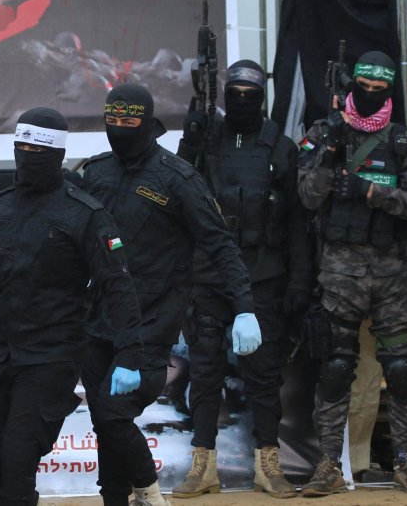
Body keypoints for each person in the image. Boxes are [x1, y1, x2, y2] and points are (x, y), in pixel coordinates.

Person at [80, 83, 262, 506]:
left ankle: (148, 491)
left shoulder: (178, 177)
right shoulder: (96, 172)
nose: (121, 129)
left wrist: (245, 308)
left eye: (130, 121)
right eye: (113, 120)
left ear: (148, 122)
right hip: (95, 319)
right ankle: (116, 499)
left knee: (113, 413)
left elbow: (220, 244)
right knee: (104, 419)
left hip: (151, 321)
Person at [0, 107, 144, 506]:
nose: (27, 155)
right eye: (21, 146)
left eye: (37, 149)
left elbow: (118, 287)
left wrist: (130, 354)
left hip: (51, 357)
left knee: (17, 457)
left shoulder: (85, 214)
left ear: (57, 154)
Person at [294, 51, 407, 497]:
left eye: (380, 91)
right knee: (336, 367)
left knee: (402, 369)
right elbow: (308, 197)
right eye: (364, 89)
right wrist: (332, 148)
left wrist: (373, 190)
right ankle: (329, 465)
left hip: (393, 270)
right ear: (351, 86)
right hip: (341, 270)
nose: (371, 97)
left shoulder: (400, 141)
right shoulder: (323, 132)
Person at [172, 60, 313, 499]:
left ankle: (268, 467)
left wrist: (298, 284)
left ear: (263, 97)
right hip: (209, 279)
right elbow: (177, 192)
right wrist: (189, 140)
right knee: (207, 372)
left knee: (263, 378)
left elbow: (297, 225)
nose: (242, 101)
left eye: (250, 94)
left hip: (264, 278)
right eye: (235, 93)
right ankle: (203, 467)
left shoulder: (280, 149)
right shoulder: (206, 143)